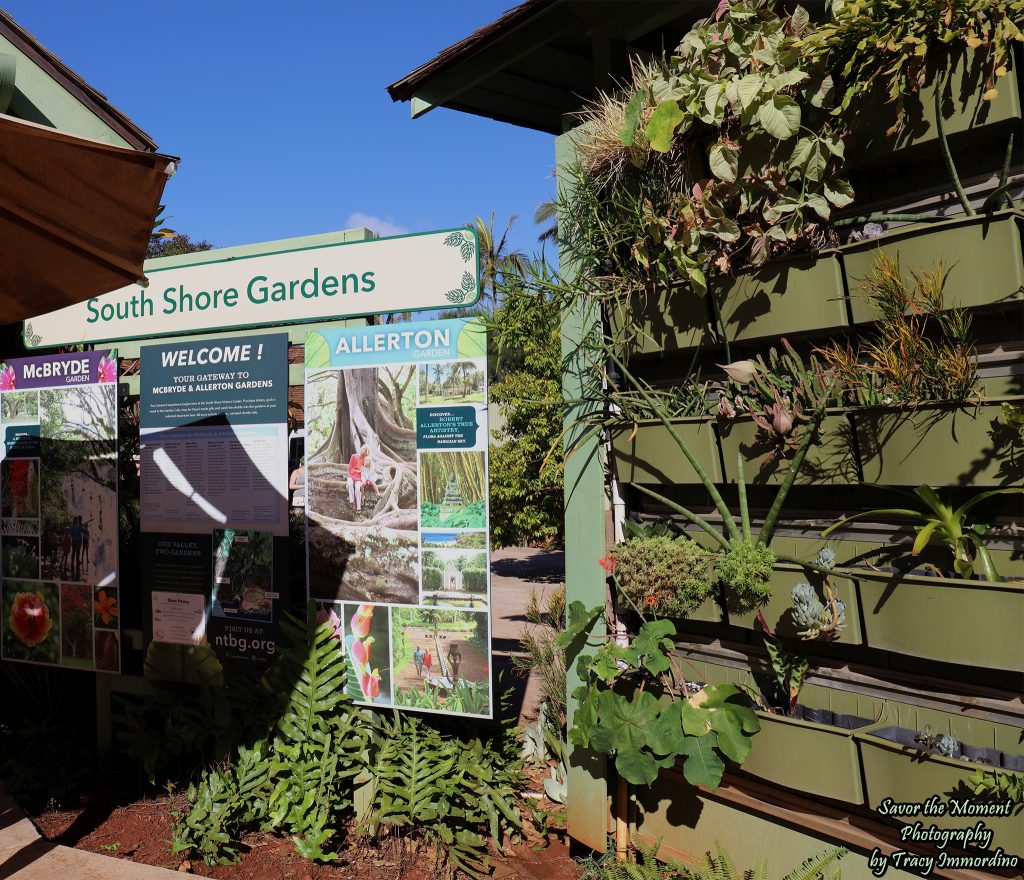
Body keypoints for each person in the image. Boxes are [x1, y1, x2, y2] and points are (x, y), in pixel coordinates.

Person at [347, 445, 367, 514]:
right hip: (351, 475)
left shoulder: (364, 460)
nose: (362, 451)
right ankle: (352, 501)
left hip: (359, 478)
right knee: (349, 484)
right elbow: (350, 468)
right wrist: (357, 471)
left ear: (365, 453)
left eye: (364, 450)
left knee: (358, 489)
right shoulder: (354, 456)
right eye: (362, 449)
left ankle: (358, 508)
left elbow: (364, 470)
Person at [69, 516, 84, 580]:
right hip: (77, 541)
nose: (76, 521)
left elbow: (71, 534)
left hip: (75, 541)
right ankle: (76, 564)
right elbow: (83, 532)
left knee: (74, 553)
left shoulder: (72, 527)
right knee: (76, 553)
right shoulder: (78, 526)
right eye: (76, 520)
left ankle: (73, 564)